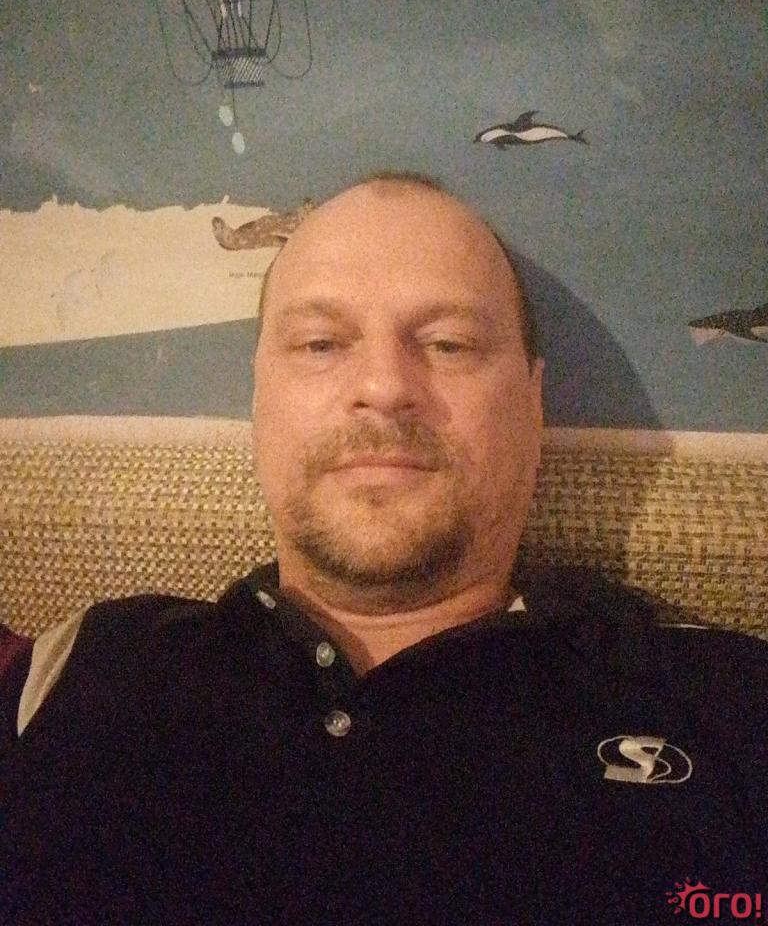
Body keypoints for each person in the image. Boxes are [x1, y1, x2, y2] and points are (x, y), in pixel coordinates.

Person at [1, 172, 766, 926]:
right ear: (257, 399)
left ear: (533, 407)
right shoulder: (77, 668)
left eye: (449, 344)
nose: (384, 385)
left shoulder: (731, 705)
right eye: (320, 342)